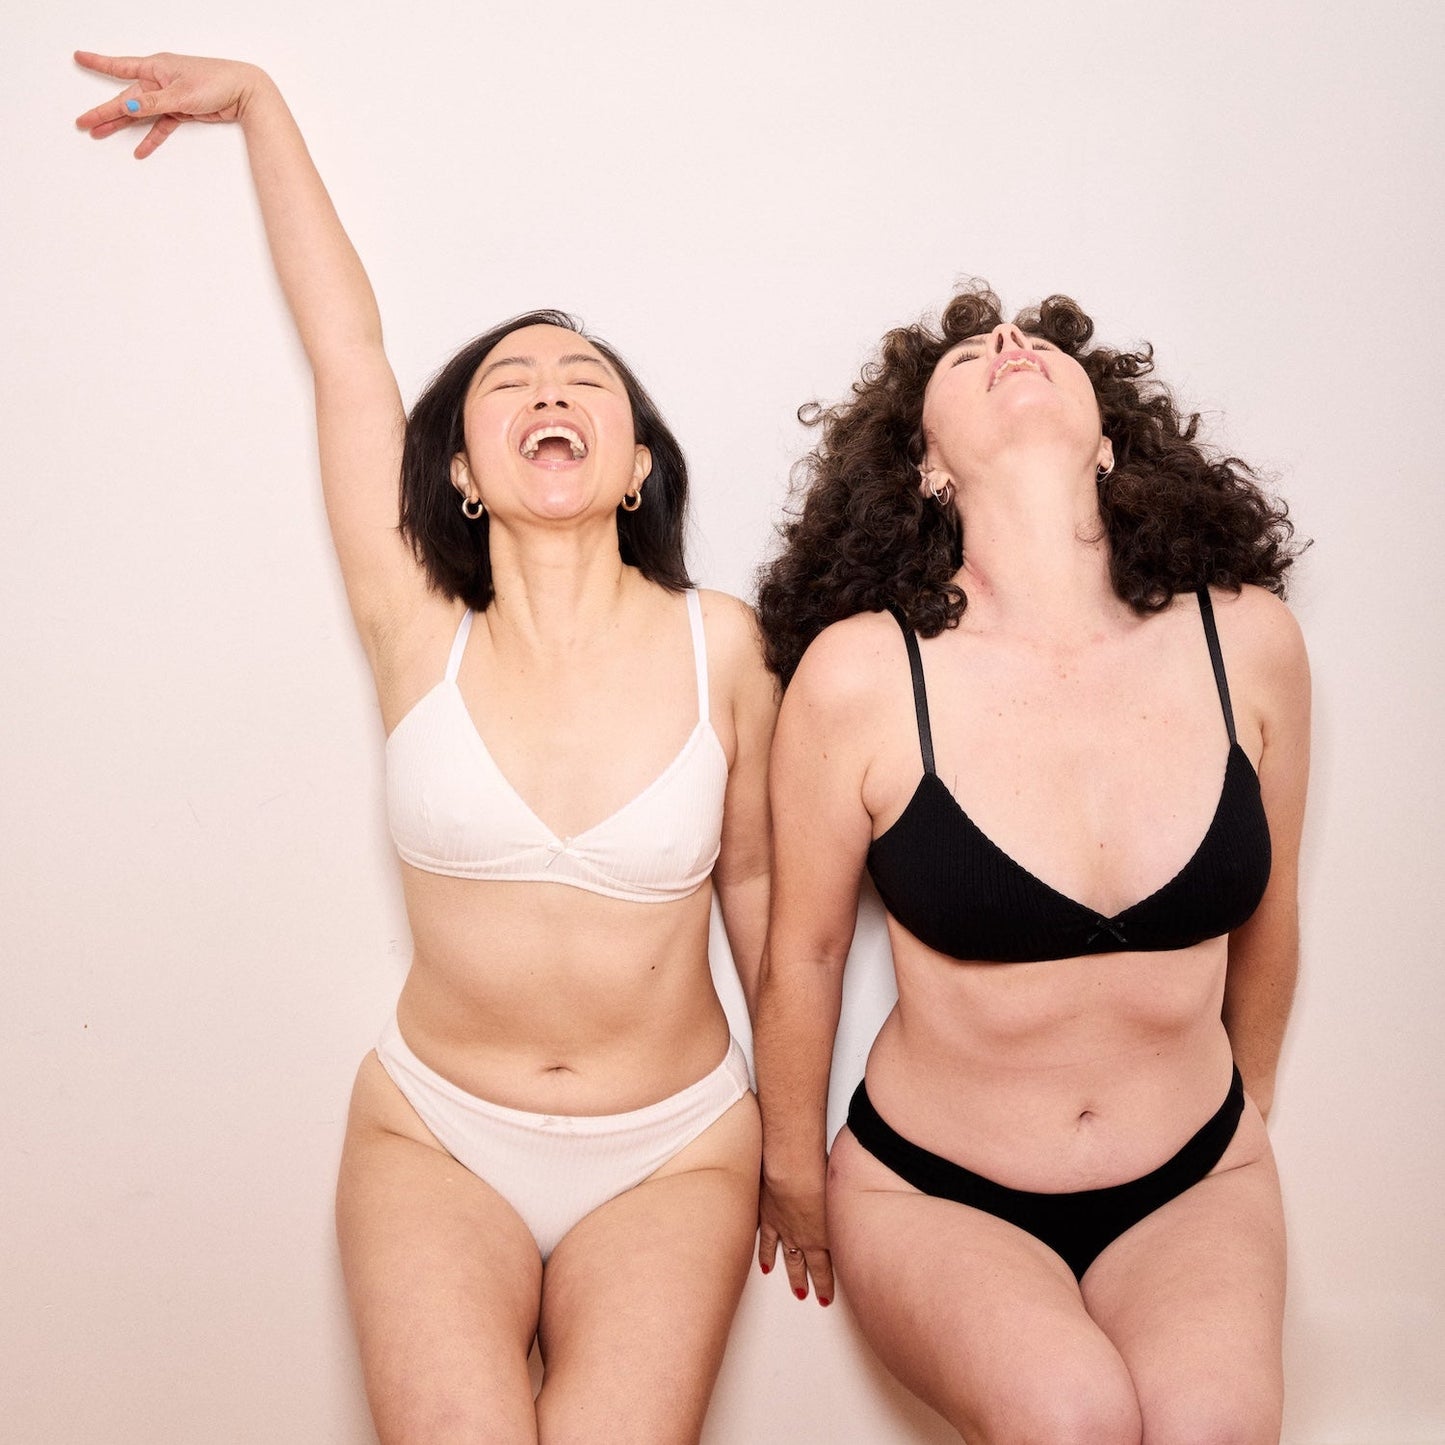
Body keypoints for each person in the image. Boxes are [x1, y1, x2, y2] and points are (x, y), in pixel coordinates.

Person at [75, 50, 776, 1444]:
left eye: (583, 377)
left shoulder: (727, 643)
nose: (546, 388)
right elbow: (348, 353)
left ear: (635, 466)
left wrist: (806, 1146)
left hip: (678, 1149)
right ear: (460, 467)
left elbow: (763, 894)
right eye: (507, 382)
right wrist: (259, 104)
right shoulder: (416, 623)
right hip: (433, 1134)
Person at [752, 284, 1308, 1442]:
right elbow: (799, 951)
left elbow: (1272, 915)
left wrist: (1243, 1109)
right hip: (938, 1193)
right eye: (966, 356)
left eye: (1040, 343)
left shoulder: (1244, 639)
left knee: (1215, 1426)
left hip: (1193, 1178)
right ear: (924, 469)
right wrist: (788, 1163)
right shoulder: (861, 677)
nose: (1010, 345)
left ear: (1108, 438)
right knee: (1070, 1417)